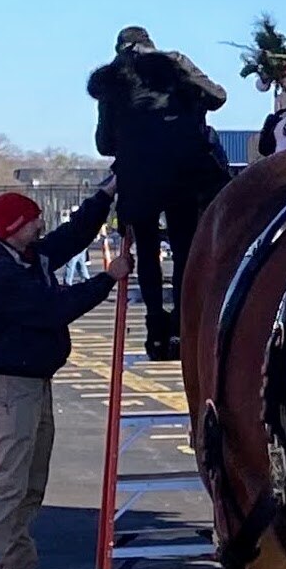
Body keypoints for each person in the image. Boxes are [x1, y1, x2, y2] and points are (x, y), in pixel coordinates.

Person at [0, 185, 127, 569]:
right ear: (14, 229)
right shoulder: (0, 274)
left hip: (34, 385)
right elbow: (53, 309)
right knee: (7, 487)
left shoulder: (28, 255)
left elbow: (73, 235)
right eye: (33, 220)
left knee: (29, 486)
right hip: (11, 390)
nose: (41, 225)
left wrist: (105, 194)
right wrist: (107, 279)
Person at [87, 23, 230, 360]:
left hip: (138, 179)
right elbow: (218, 96)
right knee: (183, 251)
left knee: (148, 251)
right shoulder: (174, 63)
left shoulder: (114, 80)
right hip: (183, 171)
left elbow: (104, 143)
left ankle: (155, 328)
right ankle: (181, 328)